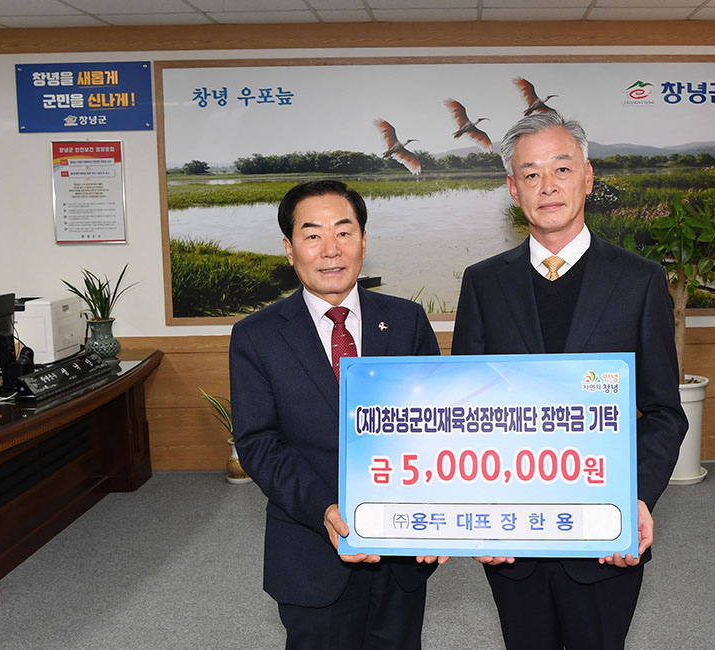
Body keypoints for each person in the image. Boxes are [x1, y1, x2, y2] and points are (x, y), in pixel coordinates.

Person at [451, 113, 688, 650]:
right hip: (512, 534)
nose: (548, 186)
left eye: (561, 168)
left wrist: (636, 498)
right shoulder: (483, 283)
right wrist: (477, 511)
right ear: (514, 189)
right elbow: (465, 410)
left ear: (588, 177)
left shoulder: (640, 279)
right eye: (531, 174)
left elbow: (663, 412)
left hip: (605, 531)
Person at [230, 180, 443, 650]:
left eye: (344, 232)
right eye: (312, 235)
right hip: (310, 550)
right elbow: (259, 443)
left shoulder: (406, 320)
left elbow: (435, 426)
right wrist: (324, 509)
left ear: (363, 241)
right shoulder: (256, 336)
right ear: (289, 249)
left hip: (401, 551)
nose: (331, 249)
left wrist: (440, 514)